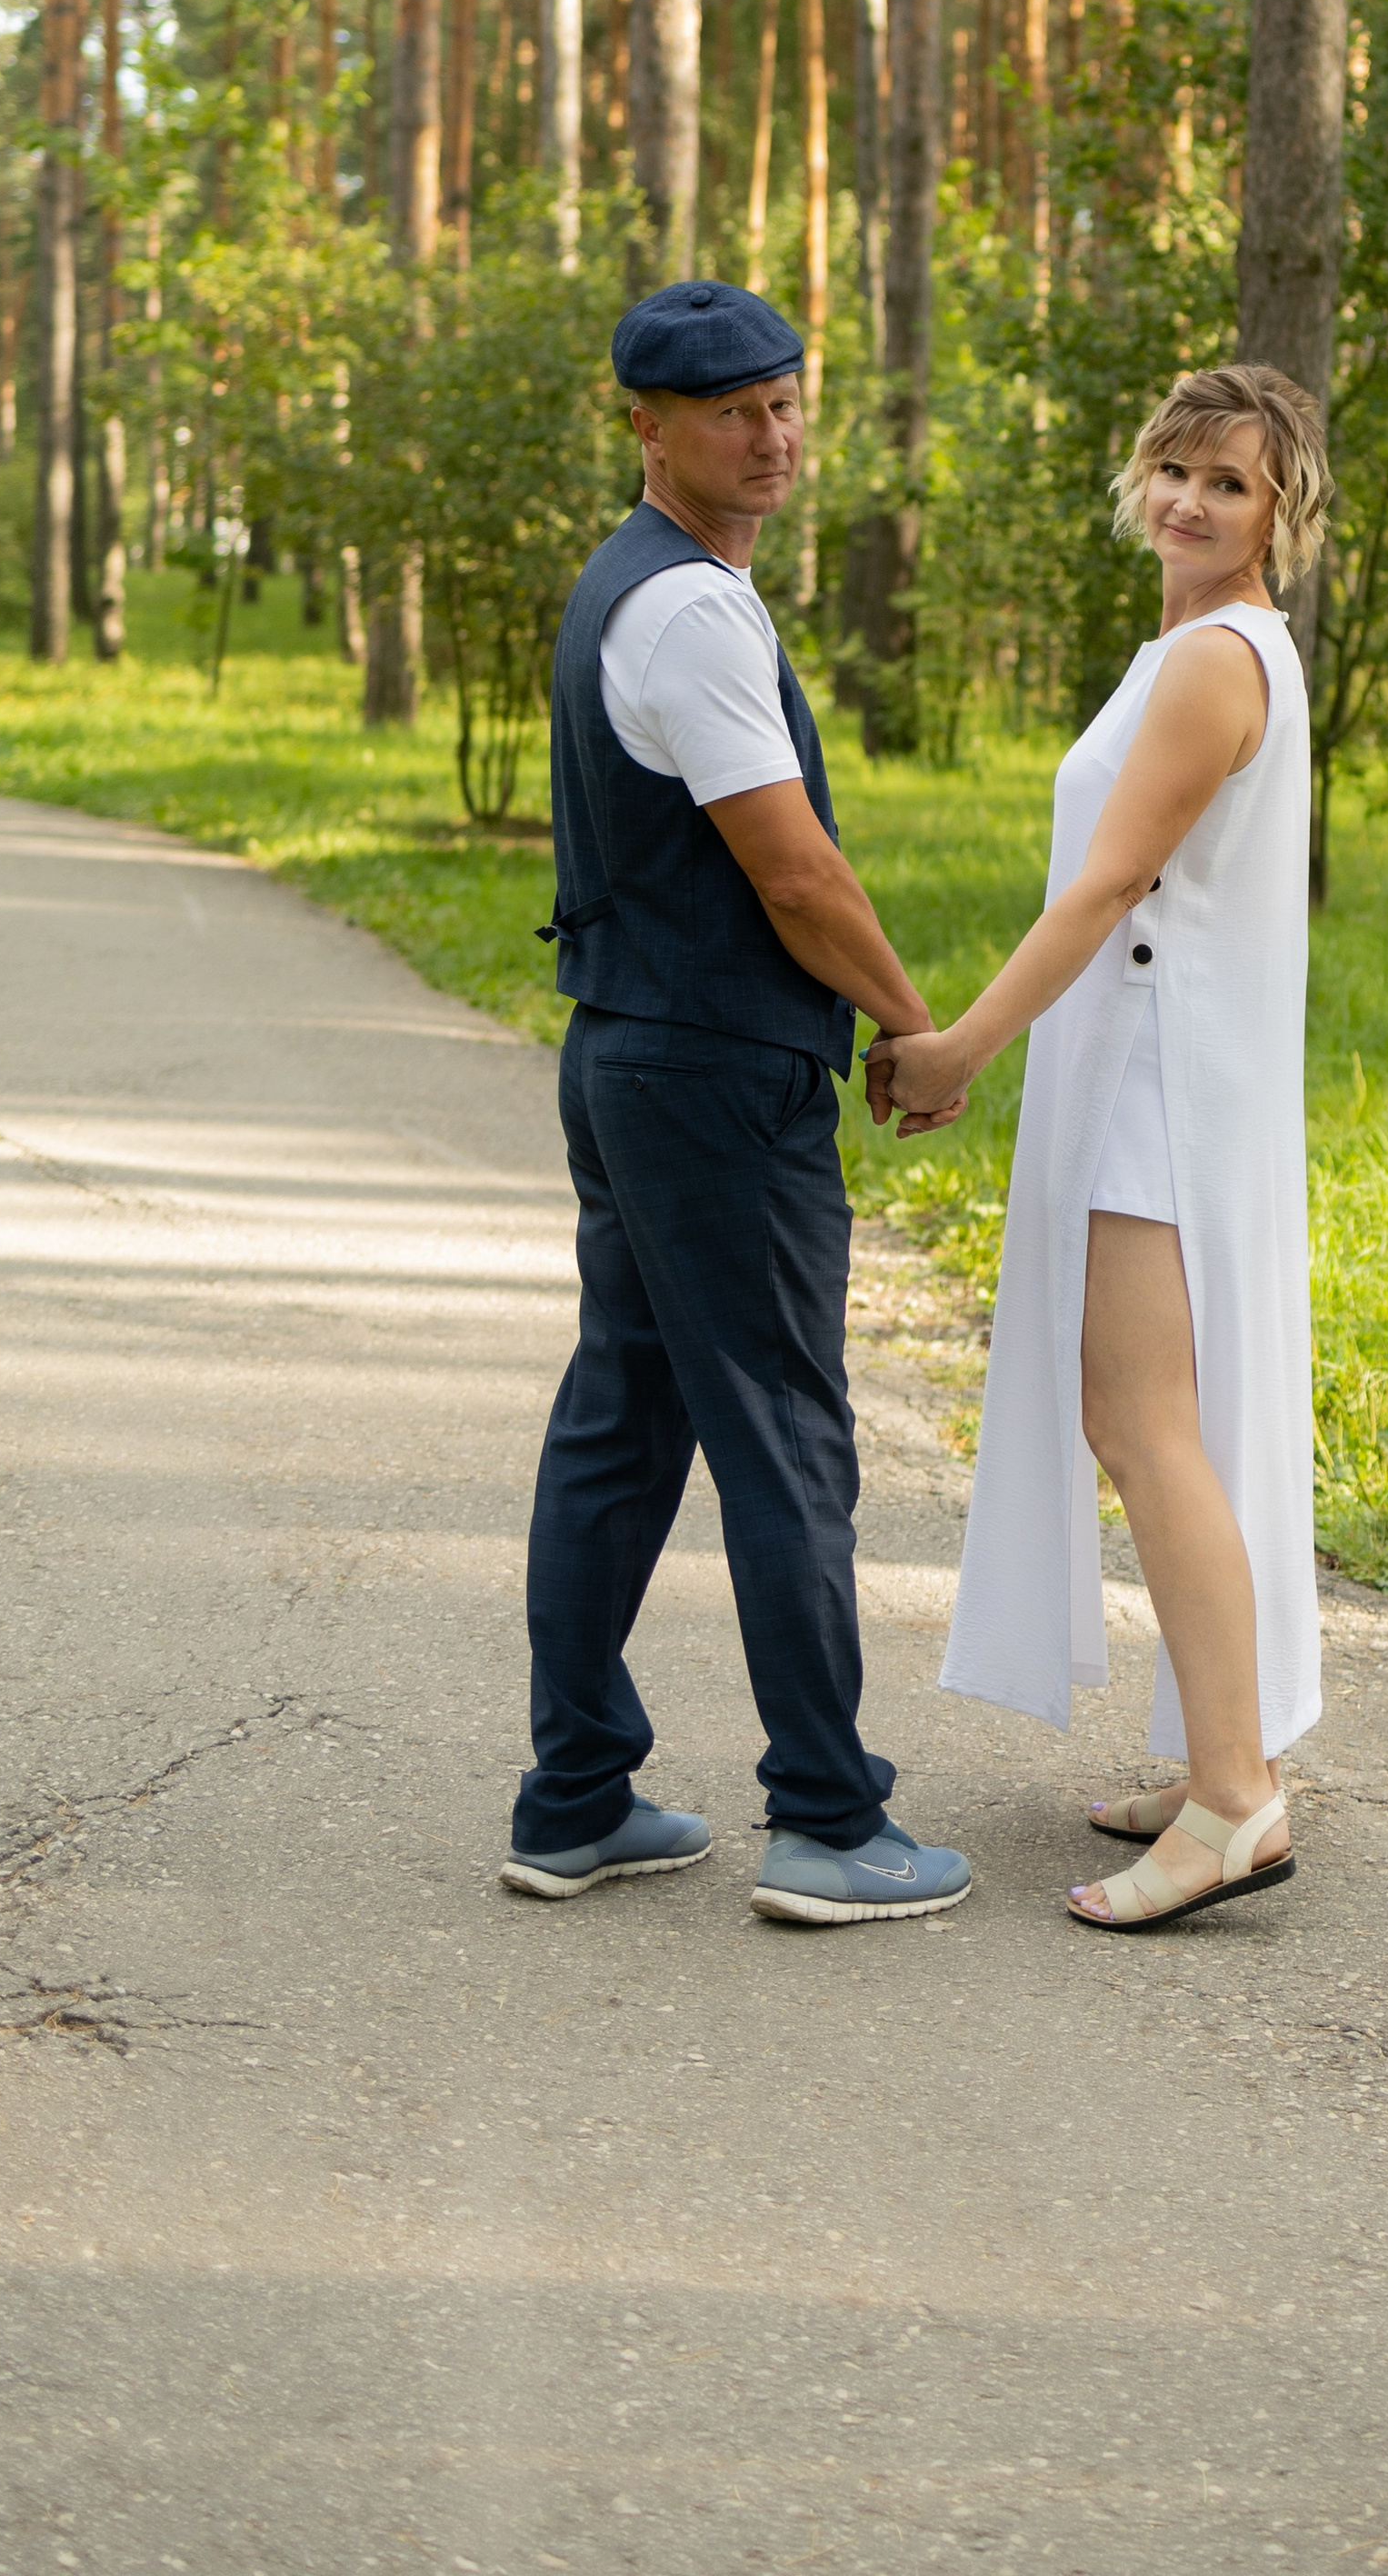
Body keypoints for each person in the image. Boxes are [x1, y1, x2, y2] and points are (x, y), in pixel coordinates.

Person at [501, 280, 972, 1928]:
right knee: (783, 1434)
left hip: (630, 1050)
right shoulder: (690, 612)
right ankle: (831, 1823)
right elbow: (793, 871)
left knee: (626, 1422)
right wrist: (914, 1024)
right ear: (645, 425)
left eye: (786, 401)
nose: (772, 437)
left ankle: (574, 1800)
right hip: (710, 1070)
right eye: (730, 413)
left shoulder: (653, 587)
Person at [880, 365, 1329, 1932]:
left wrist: (957, 1048)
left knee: (1144, 1430)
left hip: (1156, 1096)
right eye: (1175, 470)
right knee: (1152, 1424)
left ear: (1284, 513)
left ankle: (1232, 1800)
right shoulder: (1196, 650)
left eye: (1232, 483)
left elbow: (1106, 892)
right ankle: (1232, 1750)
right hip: (1154, 1075)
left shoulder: (1217, 660)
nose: (1192, 501)